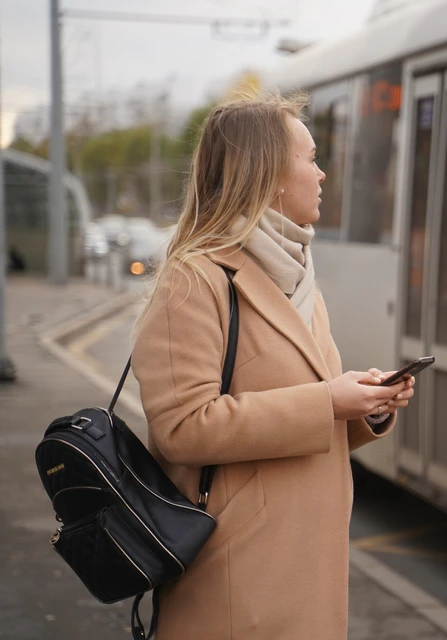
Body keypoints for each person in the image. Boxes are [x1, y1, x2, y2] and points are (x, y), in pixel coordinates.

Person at [130, 92, 415, 640]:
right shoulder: (195, 278)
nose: (323, 173)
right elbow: (182, 428)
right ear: (270, 174)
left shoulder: (298, 275)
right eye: (310, 158)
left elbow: (306, 417)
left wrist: (365, 407)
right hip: (237, 579)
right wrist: (329, 401)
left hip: (304, 572)